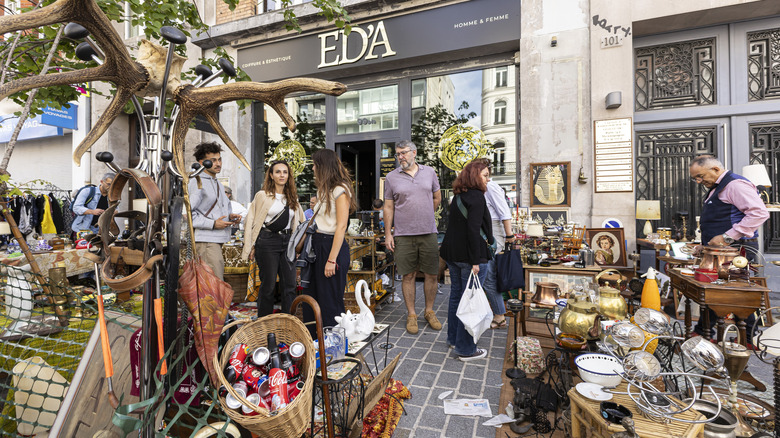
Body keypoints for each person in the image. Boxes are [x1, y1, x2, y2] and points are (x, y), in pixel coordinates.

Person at [689, 155, 769, 344]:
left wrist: (727, 237)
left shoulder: (735, 185)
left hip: (737, 250)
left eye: (700, 176)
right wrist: (705, 246)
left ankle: (705, 333)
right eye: (695, 179)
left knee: (734, 294)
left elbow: (759, 213)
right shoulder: (718, 187)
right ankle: (746, 337)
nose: (699, 181)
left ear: (716, 170)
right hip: (721, 251)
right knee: (726, 294)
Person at [384, 140, 442, 334]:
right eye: (398, 154)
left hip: (428, 232)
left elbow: (437, 198)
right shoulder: (391, 177)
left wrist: (426, 214)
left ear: (414, 153)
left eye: (404, 153)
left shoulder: (430, 172)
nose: (401, 156)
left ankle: (429, 311)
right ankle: (411, 314)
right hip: (403, 234)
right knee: (407, 275)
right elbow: (389, 206)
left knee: (432, 274)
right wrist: (388, 233)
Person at [439, 159, 494, 361]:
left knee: (456, 297)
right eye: (485, 175)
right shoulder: (477, 198)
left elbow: (454, 228)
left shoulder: (459, 196)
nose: (488, 179)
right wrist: (475, 261)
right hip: (471, 257)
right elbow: (472, 231)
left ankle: (453, 338)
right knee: (469, 301)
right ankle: (465, 348)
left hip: (453, 255)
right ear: (475, 176)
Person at [301, 149, 357, 333]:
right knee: (313, 297)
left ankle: (334, 346)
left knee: (330, 301)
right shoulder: (324, 190)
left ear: (323, 166)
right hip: (318, 245)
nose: (312, 167)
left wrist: (331, 260)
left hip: (331, 246)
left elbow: (341, 226)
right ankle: (315, 344)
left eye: (315, 164)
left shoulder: (341, 190)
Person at [242, 161, 305, 316]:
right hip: (267, 241)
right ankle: (265, 323)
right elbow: (250, 221)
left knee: (289, 285)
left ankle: (288, 321)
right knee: (268, 285)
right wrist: (250, 246)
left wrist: (298, 246)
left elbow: (300, 222)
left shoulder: (292, 198)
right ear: (271, 175)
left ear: (289, 175)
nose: (281, 175)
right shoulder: (262, 195)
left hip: (288, 242)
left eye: (285, 172)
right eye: (278, 172)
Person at [188, 142, 241, 280]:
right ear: (202, 162)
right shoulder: (197, 181)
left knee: (214, 284)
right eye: (213, 160)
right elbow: (186, 213)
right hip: (206, 241)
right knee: (213, 285)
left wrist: (230, 217)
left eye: (219, 159)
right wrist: (212, 224)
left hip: (215, 240)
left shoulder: (215, 181)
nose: (218, 163)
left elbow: (213, 209)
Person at [474, 158, 514, 329]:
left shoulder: (491, 186)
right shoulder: (479, 187)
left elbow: (504, 213)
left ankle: (499, 315)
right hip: (485, 232)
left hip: (493, 232)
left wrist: (509, 236)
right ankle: (495, 312)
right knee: (485, 276)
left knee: (488, 276)